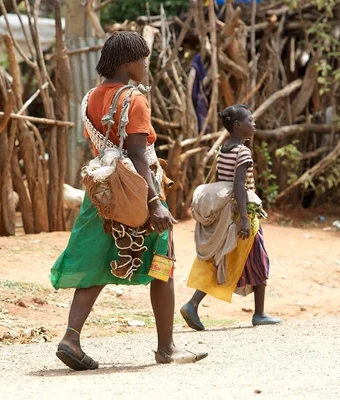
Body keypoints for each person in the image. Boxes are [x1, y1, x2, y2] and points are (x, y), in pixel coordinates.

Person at [50, 31, 207, 371]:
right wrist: (155, 202)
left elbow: (105, 148)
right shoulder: (134, 99)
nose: (145, 64)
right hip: (138, 193)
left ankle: (71, 339)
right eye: (141, 58)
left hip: (103, 194)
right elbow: (137, 153)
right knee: (162, 265)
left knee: (95, 264)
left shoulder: (90, 97)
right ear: (126, 63)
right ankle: (166, 347)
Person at [180, 104, 282, 331]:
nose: (254, 124)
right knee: (259, 259)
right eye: (250, 120)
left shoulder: (224, 149)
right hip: (241, 215)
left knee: (222, 259)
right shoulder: (243, 152)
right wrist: (244, 218)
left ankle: (193, 304)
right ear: (238, 125)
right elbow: (238, 186)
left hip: (227, 213)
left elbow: (222, 183)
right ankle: (259, 314)